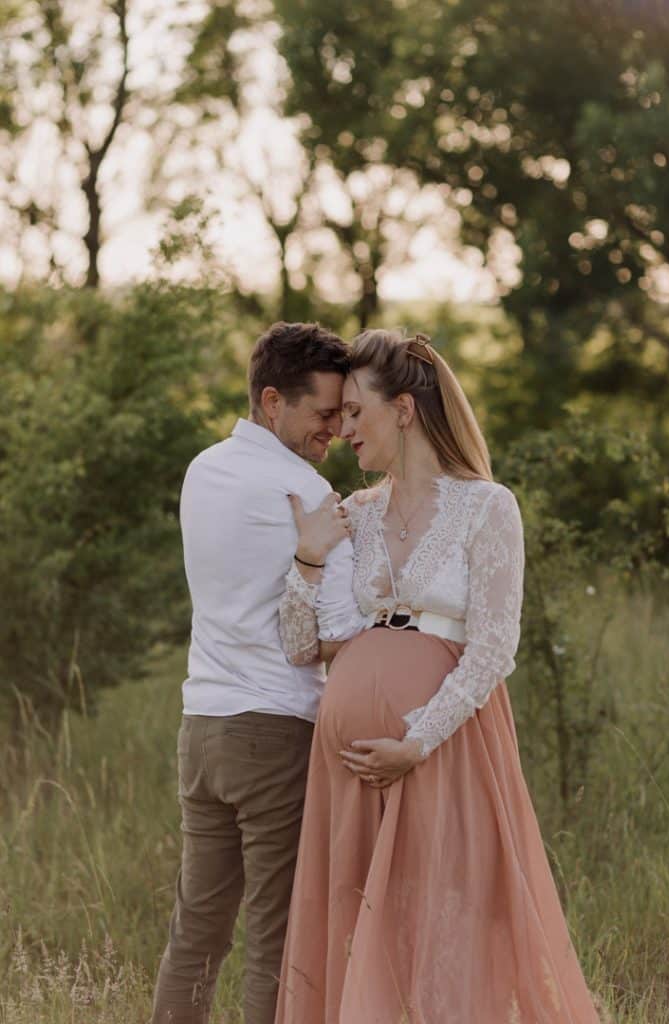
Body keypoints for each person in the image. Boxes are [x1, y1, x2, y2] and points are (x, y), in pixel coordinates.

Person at [275, 329, 600, 1023]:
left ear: (404, 409)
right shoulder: (352, 516)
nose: (344, 429)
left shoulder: (486, 506)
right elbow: (300, 644)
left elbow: (493, 646)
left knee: (445, 920)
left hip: (440, 752)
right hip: (350, 768)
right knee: (360, 928)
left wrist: (416, 741)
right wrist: (306, 559)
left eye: (357, 412)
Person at [151, 321, 358, 1024]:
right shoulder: (305, 492)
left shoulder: (203, 468)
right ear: (273, 402)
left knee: (197, 934)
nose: (332, 428)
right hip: (272, 730)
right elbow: (331, 630)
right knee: (279, 936)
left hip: (201, 726)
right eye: (322, 412)